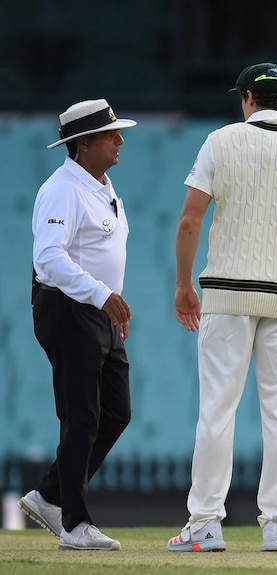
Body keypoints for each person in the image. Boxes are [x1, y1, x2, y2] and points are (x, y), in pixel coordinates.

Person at [166, 62, 277, 553]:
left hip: (226, 292)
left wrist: (184, 283)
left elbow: (189, 221)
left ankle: (204, 522)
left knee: (217, 409)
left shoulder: (220, 142)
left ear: (248, 98)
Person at [18, 99, 136, 551]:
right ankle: (74, 524)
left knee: (115, 413)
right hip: (68, 310)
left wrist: (109, 303)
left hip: (96, 311)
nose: (120, 140)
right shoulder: (62, 189)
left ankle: (50, 494)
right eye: (111, 135)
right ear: (82, 144)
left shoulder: (100, 183)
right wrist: (102, 295)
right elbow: (48, 258)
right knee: (81, 416)